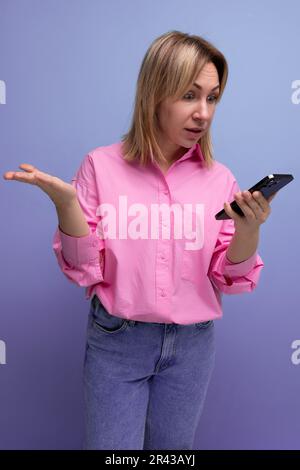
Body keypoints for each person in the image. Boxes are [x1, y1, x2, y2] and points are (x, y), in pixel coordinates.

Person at [3, 30, 276, 450]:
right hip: (117, 341)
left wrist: (249, 230)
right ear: (155, 93)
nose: (203, 113)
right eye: (189, 95)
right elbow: (83, 269)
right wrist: (67, 207)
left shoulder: (221, 180)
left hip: (193, 347)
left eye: (213, 97)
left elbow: (229, 279)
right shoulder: (100, 166)